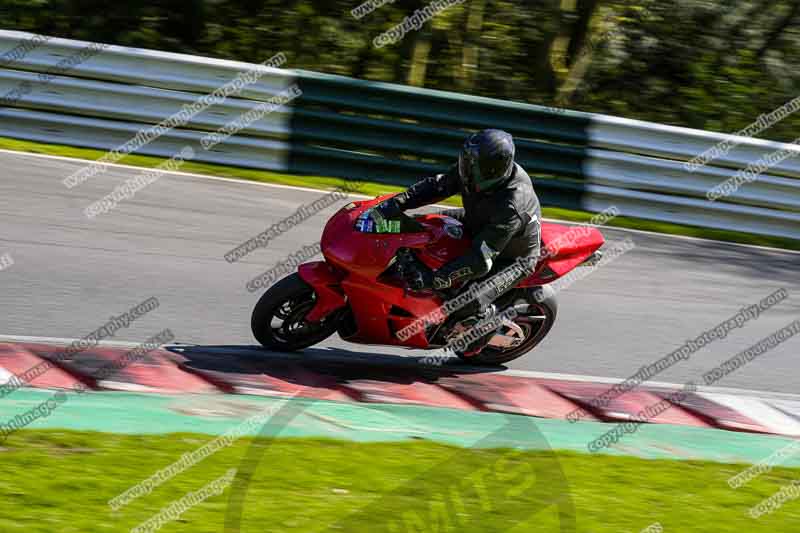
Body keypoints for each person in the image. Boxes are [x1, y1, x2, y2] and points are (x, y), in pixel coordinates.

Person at [374, 128, 541, 319]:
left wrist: (434, 280)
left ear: (497, 169)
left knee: (463, 305)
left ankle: (489, 320)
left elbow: (480, 260)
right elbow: (437, 186)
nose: (471, 172)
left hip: (512, 257)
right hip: (477, 220)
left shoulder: (513, 203)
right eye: (469, 163)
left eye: (480, 168)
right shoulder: (472, 169)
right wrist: (397, 202)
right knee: (419, 228)